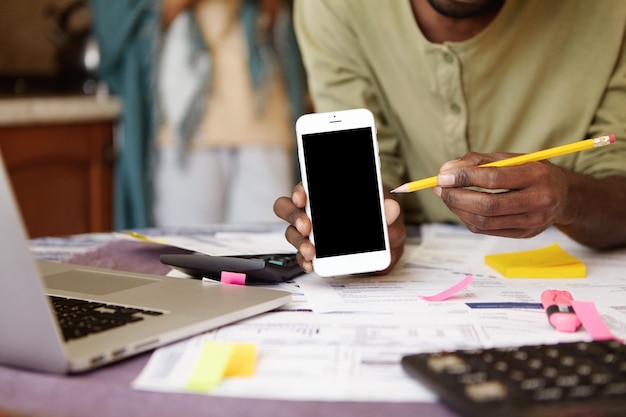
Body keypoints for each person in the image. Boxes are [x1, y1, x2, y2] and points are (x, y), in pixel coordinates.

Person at [273, 0, 626, 274]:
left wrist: (569, 200)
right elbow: (371, 161)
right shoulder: (334, 8)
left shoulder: (611, 14)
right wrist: (375, 220)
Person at [155, 0, 306, 225]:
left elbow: (282, 13)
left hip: (265, 119)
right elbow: (147, 19)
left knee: (267, 250)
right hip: (189, 128)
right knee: (185, 250)